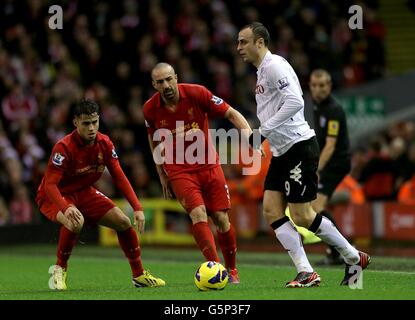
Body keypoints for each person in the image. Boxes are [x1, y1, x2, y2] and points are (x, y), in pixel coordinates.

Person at [237, 22, 370, 287]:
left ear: (260, 42)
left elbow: (296, 101)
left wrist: (264, 130)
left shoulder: (274, 66)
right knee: (271, 210)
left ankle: (352, 256)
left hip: (299, 147)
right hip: (282, 151)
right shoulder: (262, 71)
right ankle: (306, 271)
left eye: (244, 41)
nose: (239, 47)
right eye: (238, 42)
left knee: (302, 215)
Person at [35, 99, 165, 290]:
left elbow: (119, 177)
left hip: (84, 192)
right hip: (55, 194)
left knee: (123, 222)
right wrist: (65, 207)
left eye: (94, 122)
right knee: (75, 221)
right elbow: (50, 185)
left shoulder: (105, 144)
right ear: (75, 122)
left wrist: (137, 207)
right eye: (86, 123)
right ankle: (58, 271)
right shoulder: (63, 148)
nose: (91, 128)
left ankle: (139, 275)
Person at [143, 62, 255, 284]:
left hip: (208, 165)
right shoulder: (150, 109)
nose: (166, 85)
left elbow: (231, 113)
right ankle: (216, 270)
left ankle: (232, 270)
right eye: (160, 81)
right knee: (198, 214)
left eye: (169, 79)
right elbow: (153, 139)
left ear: (176, 77)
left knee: (221, 219)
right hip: (179, 170)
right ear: (154, 85)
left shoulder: (197, 93)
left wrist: (253, 138)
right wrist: (161, 173)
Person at [309, 69, 352, 265]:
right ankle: (339, 252)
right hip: (330, 162)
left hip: (336, 163)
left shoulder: (334, 109)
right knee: (316, 209)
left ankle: (343, 252)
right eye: (315, 86)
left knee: (316, 208)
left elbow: (331, 144)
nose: (318, 89)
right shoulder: (318, 106)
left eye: (323, 85)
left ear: (330, 86)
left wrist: (317, 168)